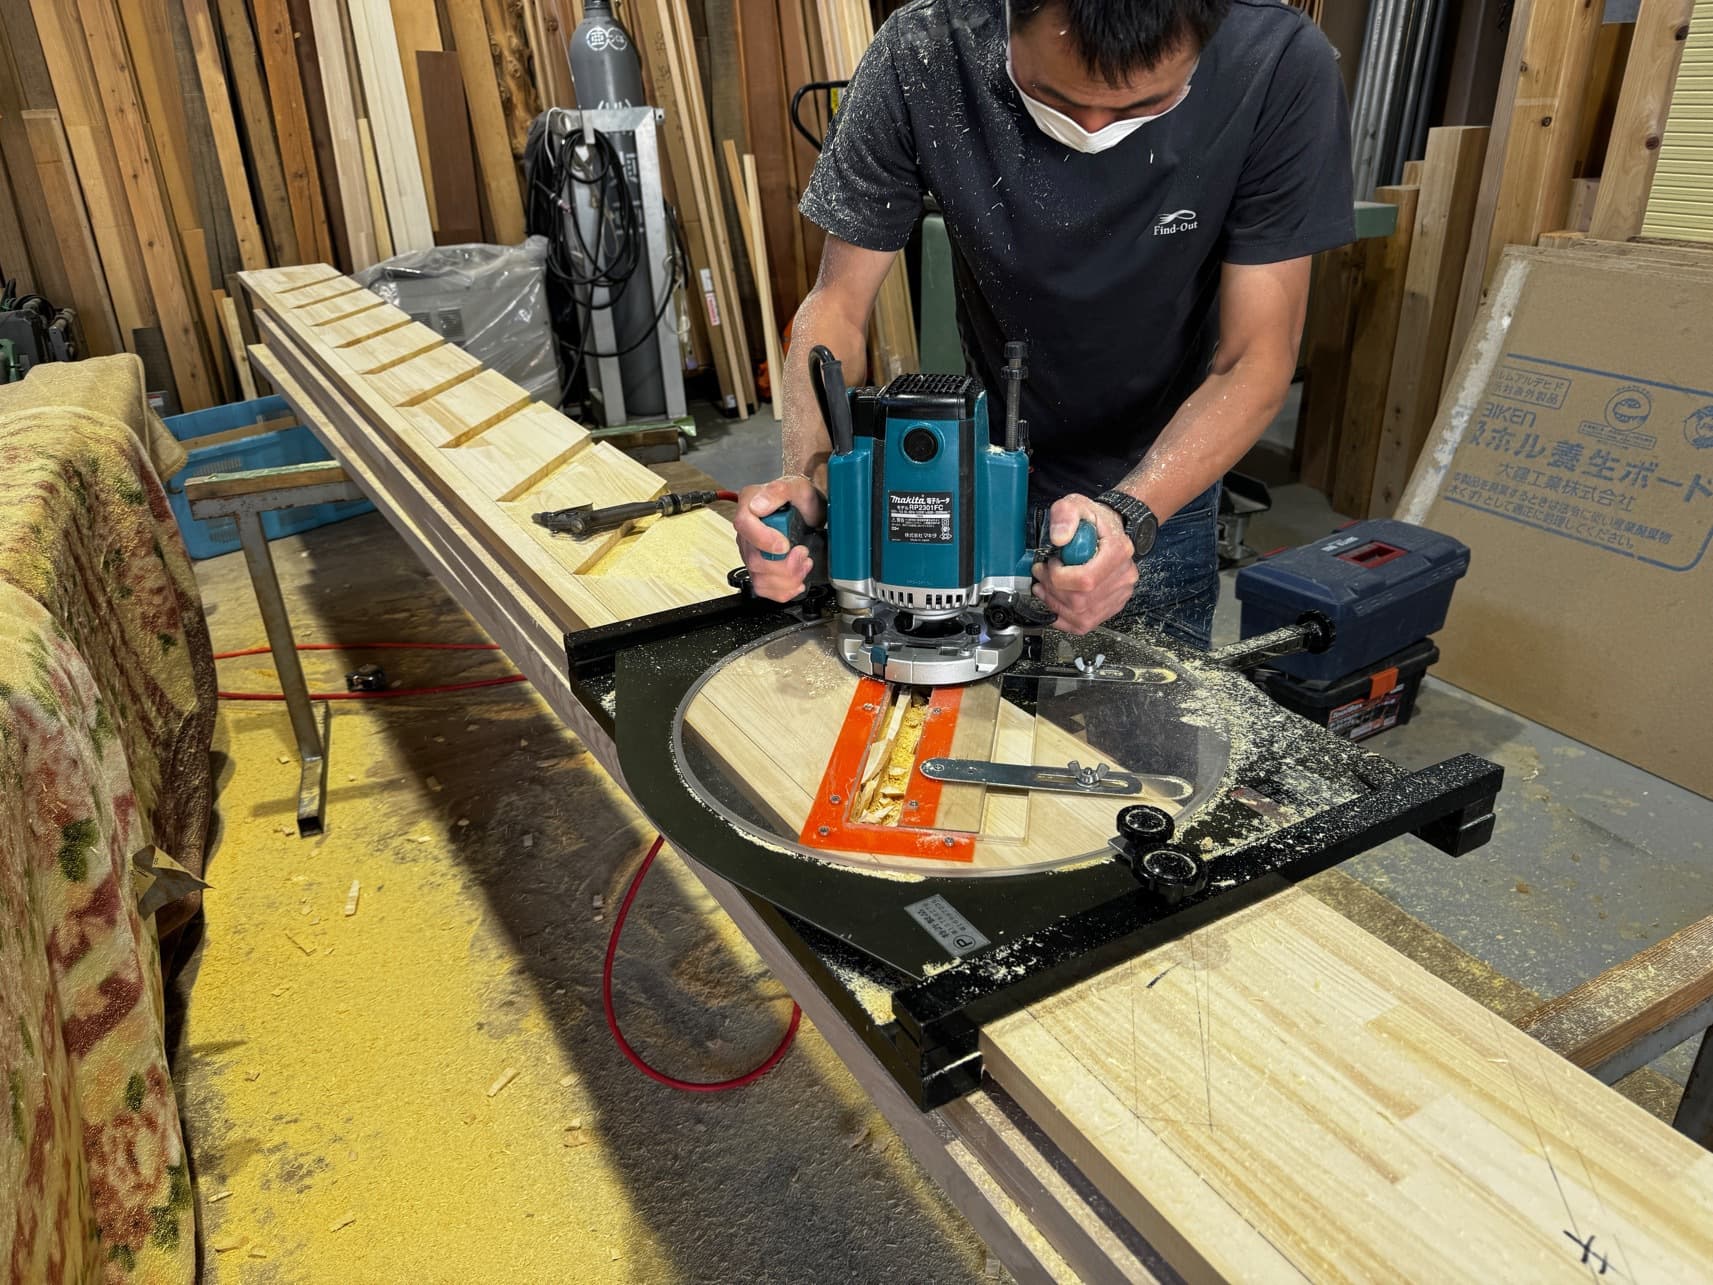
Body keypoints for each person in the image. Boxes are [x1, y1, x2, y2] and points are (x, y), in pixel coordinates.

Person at [732, 0, 1354, 648]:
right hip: (982, 469)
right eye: (1052, 98)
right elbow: (836, 305)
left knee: (1152, 707)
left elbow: (1256, 356)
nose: (1092, 128)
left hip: (1168, 471)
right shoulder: (923, 52)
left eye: (1145, 106)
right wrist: (806, 486)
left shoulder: (1275, 66)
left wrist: (1129, 515)